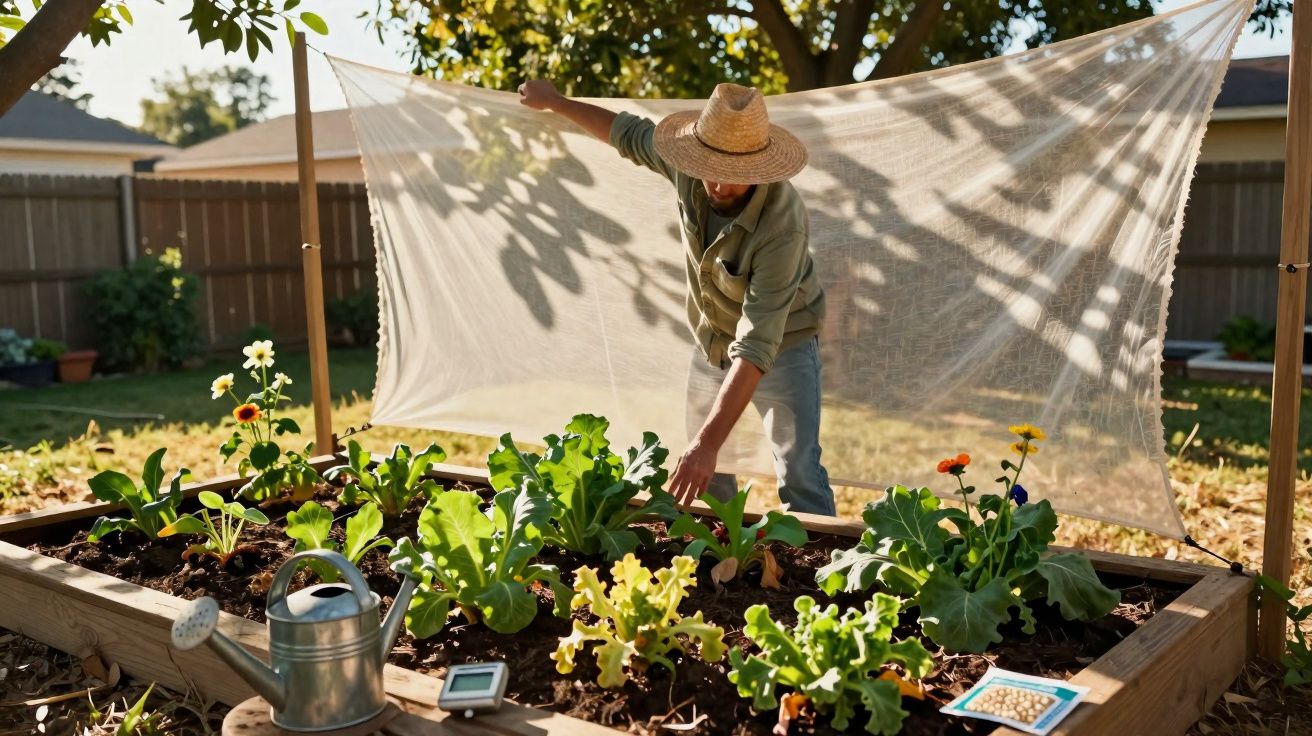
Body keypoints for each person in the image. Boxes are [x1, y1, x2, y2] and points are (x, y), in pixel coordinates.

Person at [518, 79, 834, 516]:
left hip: (784, 343)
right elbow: (625, 133)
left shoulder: (783, 225)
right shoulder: (688, 166)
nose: (718, 185)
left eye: (733, 175)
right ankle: (714, 553)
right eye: (710, 168)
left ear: (757, 168)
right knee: (707, 470)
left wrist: (707, 443)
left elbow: (760, 341)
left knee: (798, 471)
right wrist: (556, 102)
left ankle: (831, 578)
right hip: (713, 339)